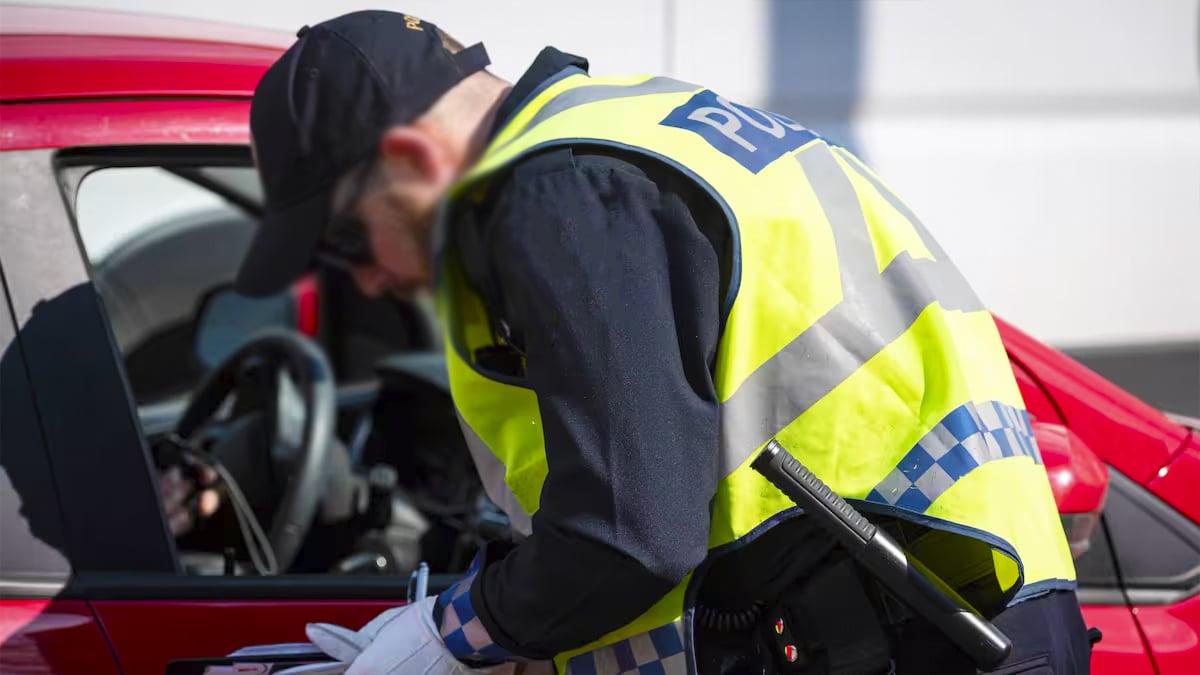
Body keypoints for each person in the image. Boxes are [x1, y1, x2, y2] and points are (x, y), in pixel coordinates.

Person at [237, 10, 1092, 675]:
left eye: (346, 243)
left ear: (409, 157)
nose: (368, 282)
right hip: (965, 611)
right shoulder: (639, 126)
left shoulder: (554, 195)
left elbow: (627, 534)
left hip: (909, 630)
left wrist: (452, 630)